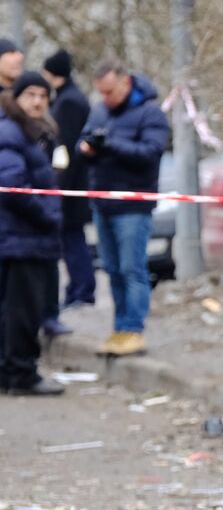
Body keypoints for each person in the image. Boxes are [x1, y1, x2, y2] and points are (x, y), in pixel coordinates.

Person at [79, 58, 169, 357]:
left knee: (133, 269)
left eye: (110, 92)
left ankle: (134, 329)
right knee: (113, 270)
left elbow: (151, 153)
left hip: (132, 205)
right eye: (101, 93)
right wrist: (87, 147)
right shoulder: (100, 111)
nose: (106, 99)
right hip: (102, 202)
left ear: (126, 82)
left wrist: (110, 145)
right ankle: (119, 329)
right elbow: (87, 139)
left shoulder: (150, 113)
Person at [0, 72, 64, 395]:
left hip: (21, 237)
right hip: (21, 237)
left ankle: (11, 373)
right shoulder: (11, 132)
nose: (38, 102)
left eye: (43, 95)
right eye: (31, 95)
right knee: (22, 311)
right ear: (17, 98)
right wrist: (47, 214)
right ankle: (21, 375)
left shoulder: (31, 131)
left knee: (14, 310)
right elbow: (13, 189)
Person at [42, 50, 95, 318]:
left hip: (71, 186)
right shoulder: (67, 99)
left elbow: (65, 148)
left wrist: (60, 186)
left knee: (72, 239)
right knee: (72, 239)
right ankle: (78, 289)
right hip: (71, 184)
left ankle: (82, 290)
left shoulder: (68, 103)